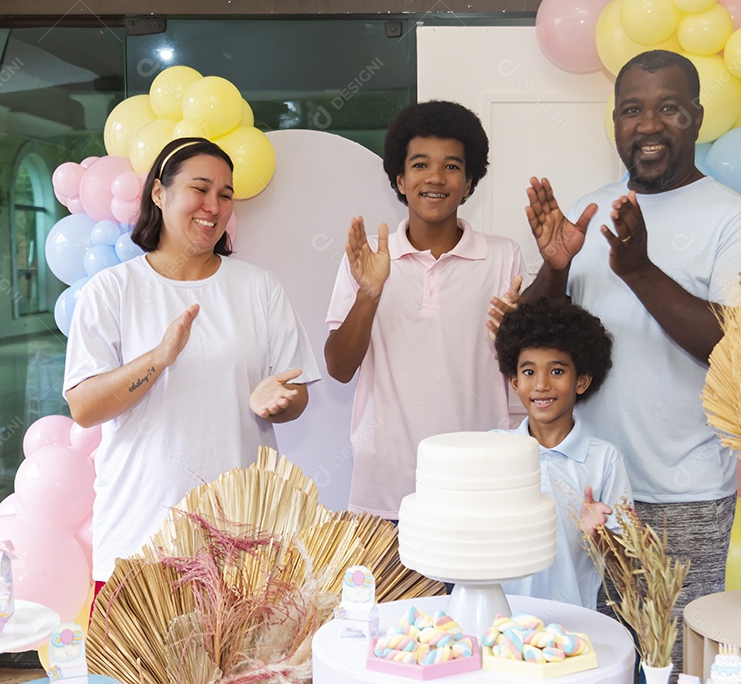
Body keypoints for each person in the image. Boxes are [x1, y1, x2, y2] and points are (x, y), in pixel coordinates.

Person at [521, 50, 741, 672]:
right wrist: (555, 269)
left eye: (668, 107)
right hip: (577, 486)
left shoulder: (738, 222)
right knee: (575, 670)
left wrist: (637, 271)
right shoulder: (587, 212)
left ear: (697, 115)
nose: (649, 124)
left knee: (671, 676)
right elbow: (532, 339)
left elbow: (737, 349)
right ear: (614, 121)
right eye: (632, 110)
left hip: (681, 495)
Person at [64, 137, 321, 586]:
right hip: (141, 540)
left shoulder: (259, 288)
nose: (214, 205)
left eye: (225, 194)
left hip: (243, 542)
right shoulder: (112, 290)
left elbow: (296, 393)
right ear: (159, 194)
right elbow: (85, 407)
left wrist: (278, 401)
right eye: (200, 189)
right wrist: (158, 359)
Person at [325, 100, 526, 520]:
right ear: (400, 179)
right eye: (420, 165)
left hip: (478, 487)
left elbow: (527, 364)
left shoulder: (503, 256)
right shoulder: (367, 260)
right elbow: (340, 368)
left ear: (470, 182)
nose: (435, 178)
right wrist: (369, 294)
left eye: (452, 167)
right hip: (384, 492)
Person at [492, 298, 632, 611]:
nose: (541, 384)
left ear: (581, 381)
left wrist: (600, 537)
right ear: (515, 382)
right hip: (498, 623)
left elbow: (624, 568)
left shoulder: (605, 460)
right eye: (528, 372)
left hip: (573, 628)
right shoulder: (494, 451)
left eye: (557, 370)